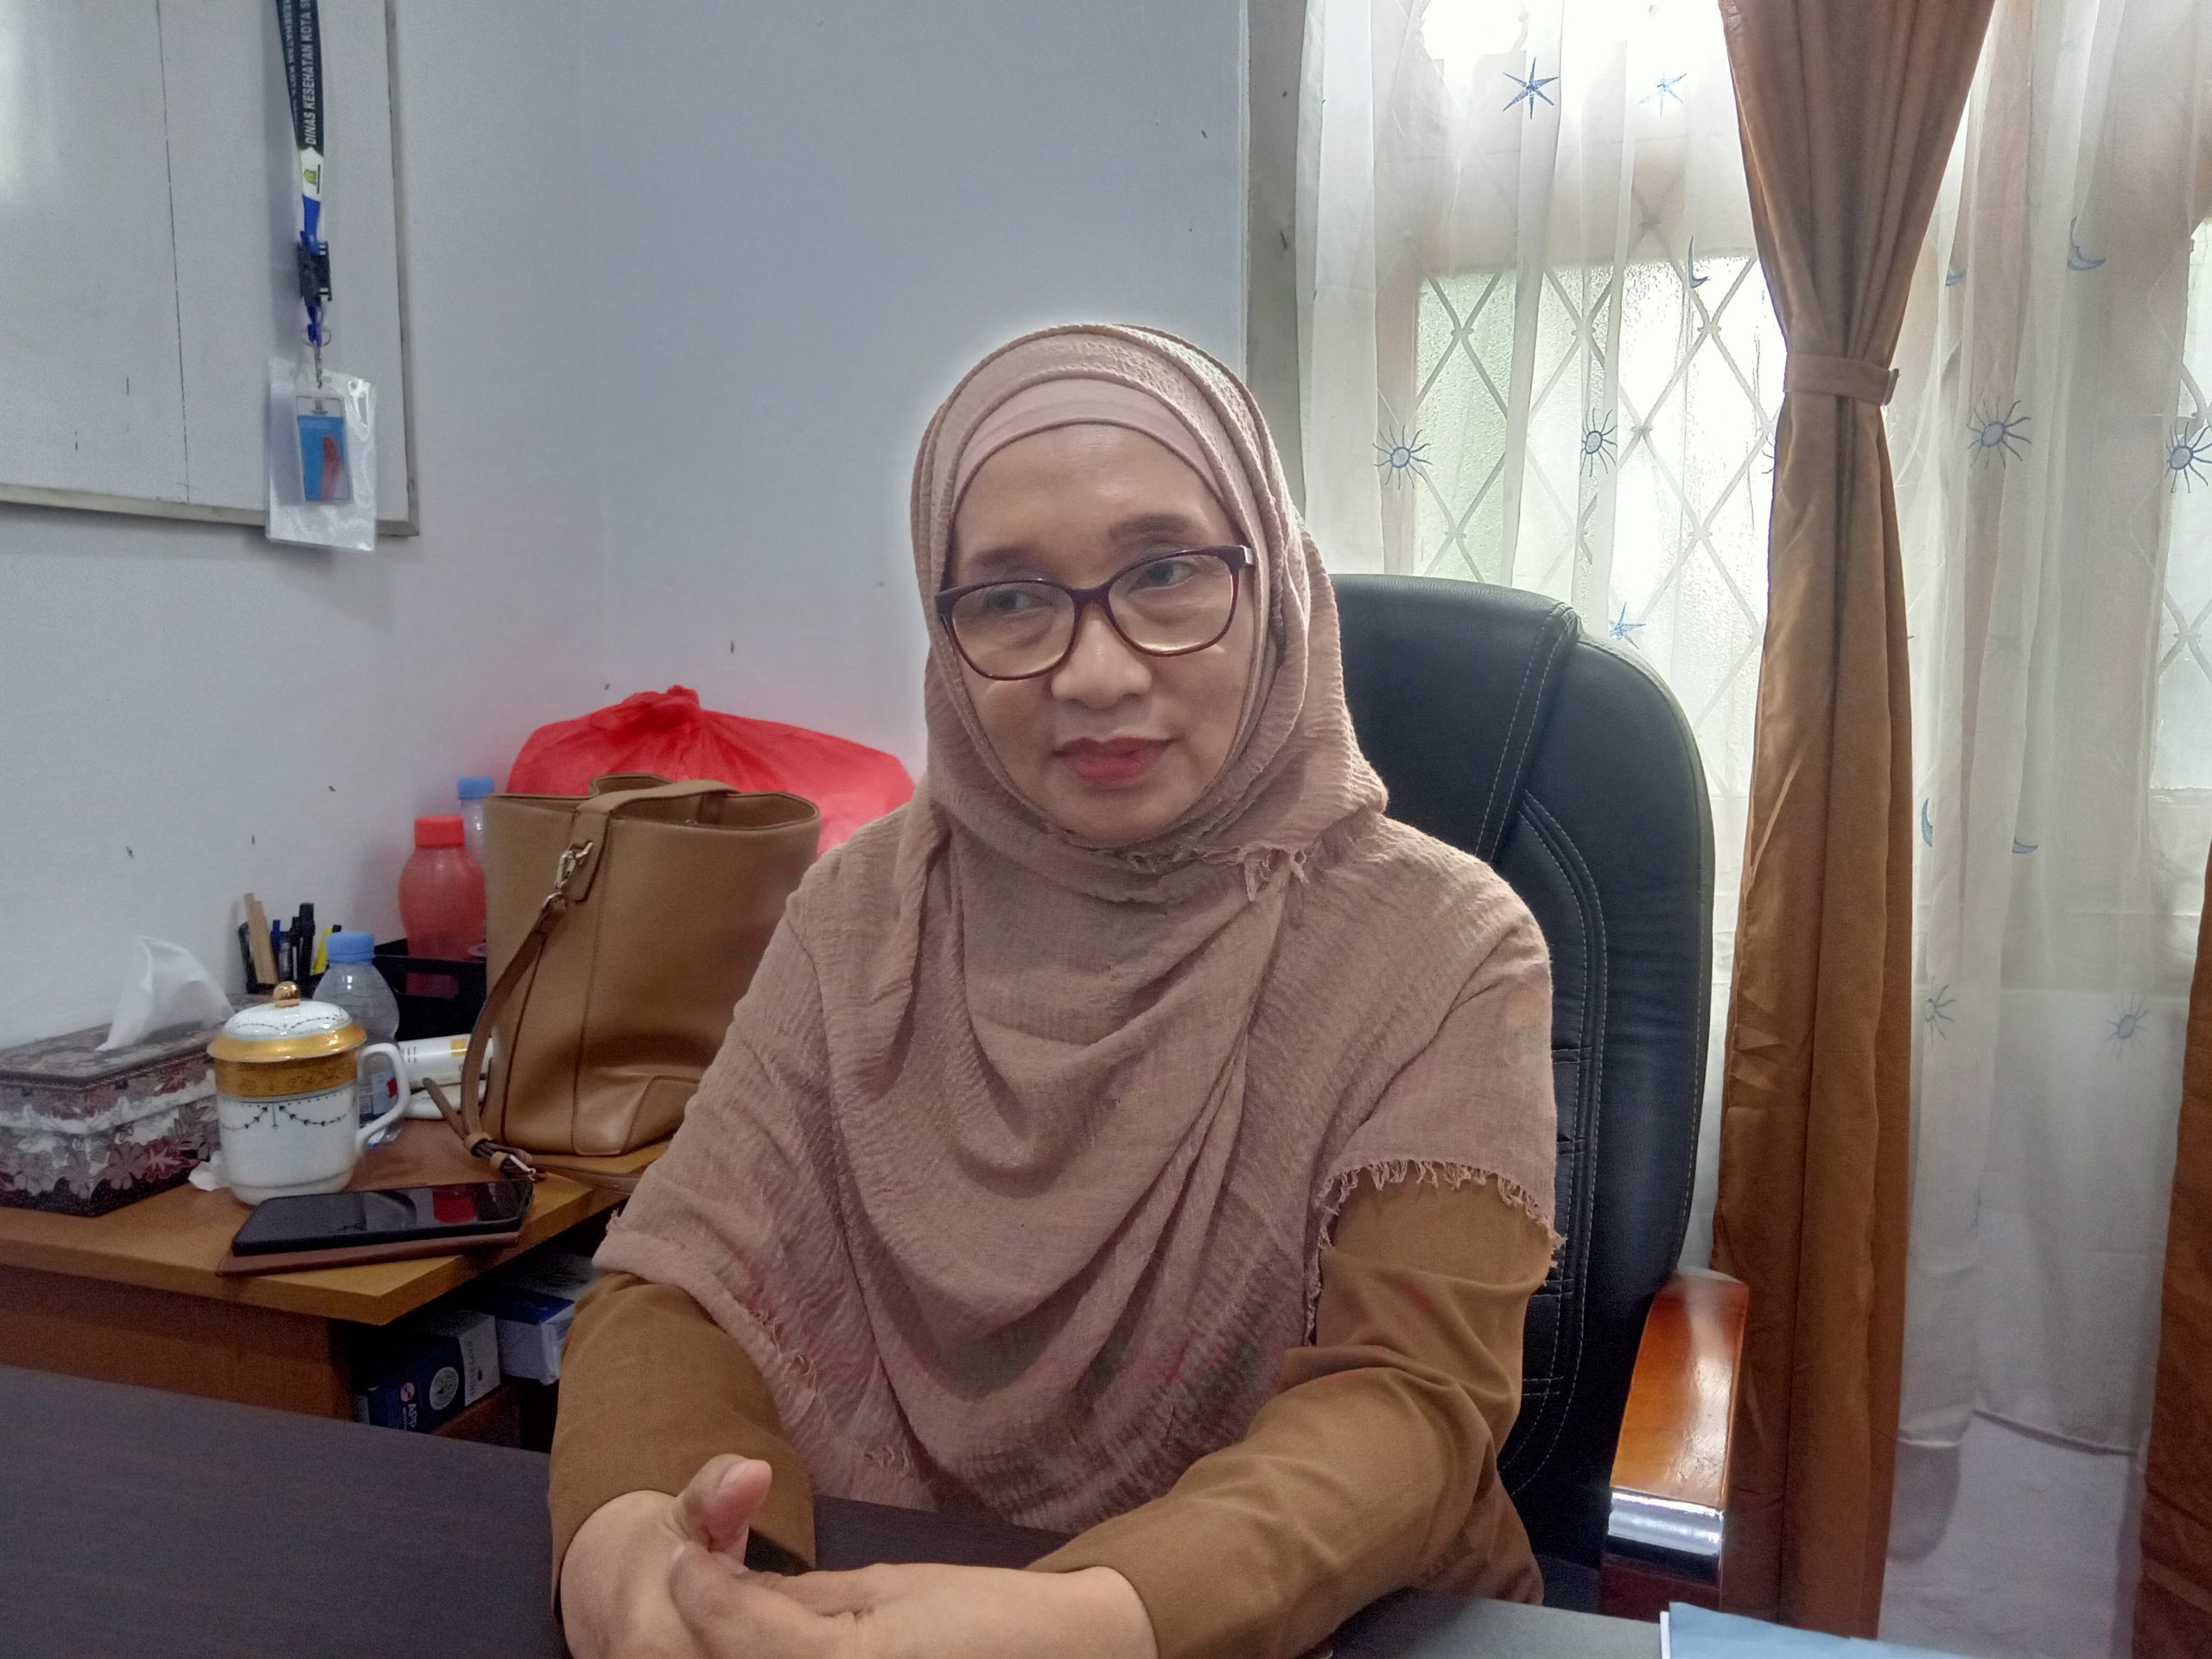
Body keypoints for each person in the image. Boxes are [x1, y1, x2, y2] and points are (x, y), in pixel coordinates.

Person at [550, 324, 1560, 1659]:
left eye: (1168, 572)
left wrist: (1093, 1619)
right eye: (1011, 599)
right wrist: (631, 1549)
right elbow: (679, 1283)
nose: (1096, 672)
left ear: (1272, 582)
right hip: (877, 1599)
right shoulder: (866, 914)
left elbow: (1407, 1406)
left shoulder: (1444, 949)